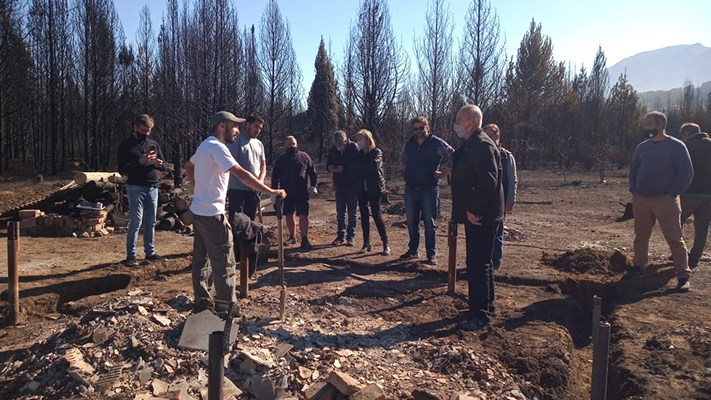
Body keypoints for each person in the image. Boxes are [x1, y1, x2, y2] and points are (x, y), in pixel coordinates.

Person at [184, 111, 285, 312]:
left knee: (202, 261)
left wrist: (199, 189)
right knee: (224, 264)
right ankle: (227, 310)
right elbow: (241, 173)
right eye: (235, 126)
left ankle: (203, 304)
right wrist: (271, 191)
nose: (238, 130)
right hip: (213, 215)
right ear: (222, 126)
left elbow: (188, 166)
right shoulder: (218, 147)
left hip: (200, 212)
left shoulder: (205, 145)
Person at [451, 105, 504, 331]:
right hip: (477, 212)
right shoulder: (471, 144)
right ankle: (485, 306)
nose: (456, 124)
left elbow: (488, 182)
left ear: (472, 121)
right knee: (481, 263)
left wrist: (471, 209)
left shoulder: (482, 145)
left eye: (459, 120)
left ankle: (480, 315)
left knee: (477, 264)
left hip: (481, 215)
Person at [628, 111, 694, 292]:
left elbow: (686, 173)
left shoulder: (676, 146)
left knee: (674, 238)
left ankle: (682, 275)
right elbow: (633, 168)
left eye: (649, 124)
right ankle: (639, 267)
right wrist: (633, 189)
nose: (646, 128)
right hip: (642, 199)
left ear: (661, 125)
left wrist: (673, 193)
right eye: (645, 124)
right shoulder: (642, 147)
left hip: (666, 200)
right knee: (641, 236)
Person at [399, 116, 454, 265]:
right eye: (415, 128)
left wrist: (444, 172)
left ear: (427, 127)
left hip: (429, 189)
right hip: (411, 188)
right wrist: (406, 171)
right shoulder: (409, 143)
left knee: (430, 223)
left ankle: (431, 254)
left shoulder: (437, 143)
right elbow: (402, 157)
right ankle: (413, 251)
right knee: (412, 222)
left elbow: (453, 155)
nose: (418, 131)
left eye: (421, 128)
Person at [117, 114, 167, 267]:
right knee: (136, 221)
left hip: (153, 186)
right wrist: (139, 162)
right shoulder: (126, 145)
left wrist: (159, 164)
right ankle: (131, 255)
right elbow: (122, 170)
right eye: (144, 130)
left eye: (149, 131)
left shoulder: (153, 144)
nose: (147, 134)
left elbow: (165, 165)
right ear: (135, 128)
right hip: (135, 187)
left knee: (151, 222)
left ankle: (150, 253)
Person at [271, 136, 318, 250]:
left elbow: (312, 172)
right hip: (286, 192)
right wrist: (274, 191)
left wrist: (313, 186)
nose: (291, 145)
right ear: (285, 146)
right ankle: (292, 236)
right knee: (288, 214)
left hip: (301, 190)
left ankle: (305, 239)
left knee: (303, 215)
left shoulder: (304, 156)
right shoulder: (281, 159)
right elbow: (275, 176)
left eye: (292, 143)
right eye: (288, 144)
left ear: (297, 144)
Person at [483, 124, 517, 270]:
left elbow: (512, 180)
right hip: (483, 201)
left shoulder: (506, 156)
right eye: (485, 136)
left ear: (497, 137)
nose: (487, 139)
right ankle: (484, 260)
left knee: (497, 232)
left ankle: (495, 262)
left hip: (500, 201)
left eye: (490, 136)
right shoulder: (481, 155)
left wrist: (510, 201)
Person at [351, 129, 389, 255]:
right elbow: (355, 168)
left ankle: (385, 243)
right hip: (361, 189)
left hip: (375, 189)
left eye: (361, 139)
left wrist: (363, 167)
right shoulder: (357, 155)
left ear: (368, 140)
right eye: (358, 140)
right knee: (364, 216)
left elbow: (374, 166)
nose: (359, 142)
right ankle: (366, 243)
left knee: (377, 215)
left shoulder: (376, 152)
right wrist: (364, 168)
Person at [680, 122, 711, 269]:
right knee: (702, 227)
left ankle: (679, 253)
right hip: (709, 194)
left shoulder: (687, 147)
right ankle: (694, 258)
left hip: (690, 192)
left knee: (676, 222)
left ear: (687, 134)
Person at [227, 114, 266, 222]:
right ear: (248, 125)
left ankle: (249, 240)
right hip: (237, 189)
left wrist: (260, 181)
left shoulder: (259, 144)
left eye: (260, 128)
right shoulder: (237, 140)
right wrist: (246, 180)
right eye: (256, 126)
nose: (258, 130)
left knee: (250, 221)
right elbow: (232, 164)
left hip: (254, 190)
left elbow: (263, 165)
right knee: (237, 222)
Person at [327, 130, 359, 246]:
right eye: (336, 144)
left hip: (352, 184)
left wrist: (344, 168)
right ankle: (340, 236)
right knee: (340, 212)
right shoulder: (333, 149)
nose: (338, 146)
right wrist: (330, 167)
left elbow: (357, 165)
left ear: (345, 140)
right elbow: (328, 162)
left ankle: (351, 236)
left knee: (352, 211)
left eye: (340, 143)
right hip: (339, 184)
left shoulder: (354, 148)